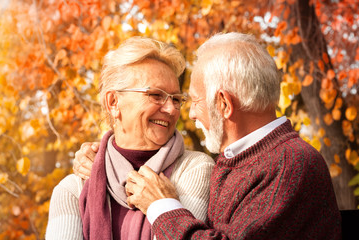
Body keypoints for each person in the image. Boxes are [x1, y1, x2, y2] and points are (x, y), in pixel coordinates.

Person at [73, 32, 341, 239]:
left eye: (193, 101)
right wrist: (103, 159)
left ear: (223, 104)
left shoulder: (290, 163)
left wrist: (160, 206)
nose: (188, 115)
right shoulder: (246, 159)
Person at [45, 36, 214, 240]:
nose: (171, 109)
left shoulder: (195, 169)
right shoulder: (73, 189)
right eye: (156, 95)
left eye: (176, 99)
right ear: (114, 102)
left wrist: (160, 204)